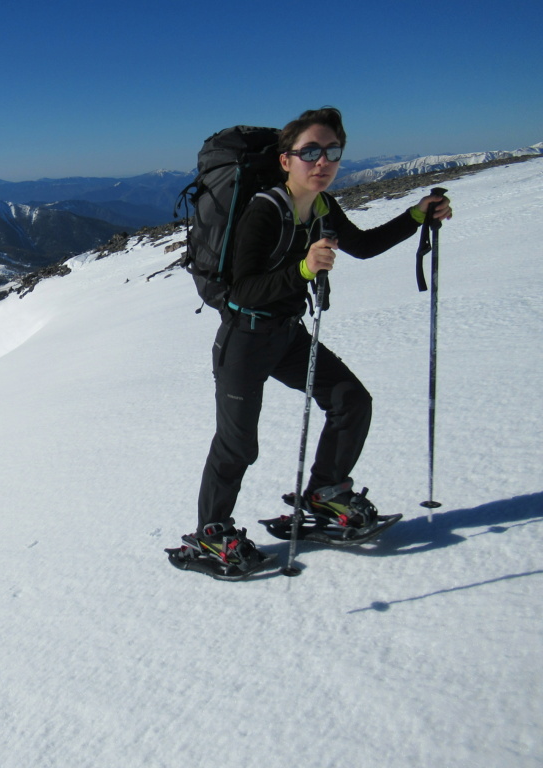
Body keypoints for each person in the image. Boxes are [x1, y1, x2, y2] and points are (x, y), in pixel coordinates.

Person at [184, 107, 452, 569]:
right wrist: (304, 269)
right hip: (244, 341)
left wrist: (416, 216)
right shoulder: (263, 209)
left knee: (351, 400)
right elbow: (240, 290)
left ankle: (325, 491)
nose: (322, 161)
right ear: (286, 160)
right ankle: (210, 532)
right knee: (238, 444)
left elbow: (363, 246)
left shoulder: (323, 206)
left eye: (331, 151)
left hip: (286, 336)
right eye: (310, 151)